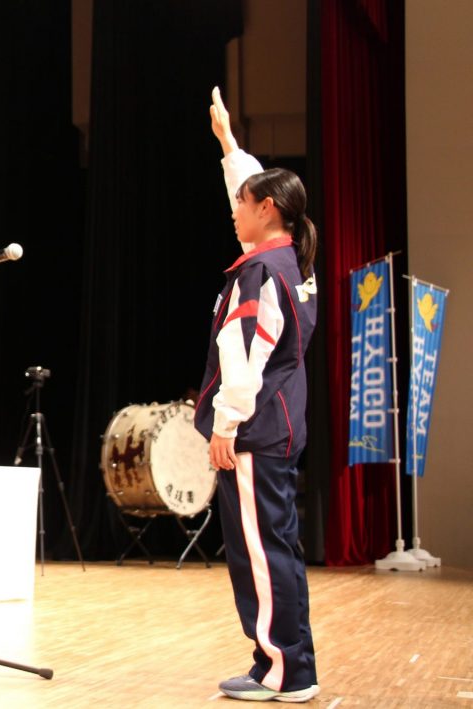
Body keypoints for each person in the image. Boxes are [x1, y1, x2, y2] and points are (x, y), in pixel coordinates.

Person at [194, 88, 320, 702]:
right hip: (278, 427)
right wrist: (228, 143)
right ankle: (286, 662)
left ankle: (284, 669)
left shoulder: (261, 272)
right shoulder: (287, 258)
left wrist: (225, 426)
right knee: (275, 550)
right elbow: (251, 193)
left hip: (256, 431)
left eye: (242, 204)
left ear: (267, 209)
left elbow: (244, 361)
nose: (234, 210)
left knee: (263, 556)